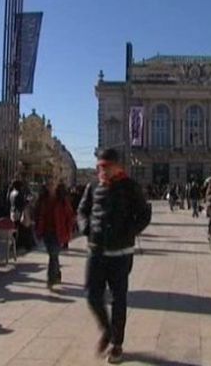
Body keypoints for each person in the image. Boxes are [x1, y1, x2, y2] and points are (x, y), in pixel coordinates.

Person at [78, 148, 151, 363]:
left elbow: (145, 213)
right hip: (96, 250)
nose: (102, 169)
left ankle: (117, 344)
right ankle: (106, 329)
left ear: (118, 166)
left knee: (119, 299)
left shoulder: (130, 187)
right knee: (92, 295)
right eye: (100, 166)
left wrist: (131, 231)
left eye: (106, 166)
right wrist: (86, 228)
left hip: (121, 253)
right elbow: (82, 210)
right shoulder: (92, 186)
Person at [34, 177, 75, 288]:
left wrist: (69, 230)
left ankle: (51, 278)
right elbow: (37, 214)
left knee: (53, 254)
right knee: (52, 254)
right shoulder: (43, 200)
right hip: (47, 231)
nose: (50, 186)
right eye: (48, 184)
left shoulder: (62, 200)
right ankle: (56, 274)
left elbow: (70, 216)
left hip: (58, 231)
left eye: (52, 184)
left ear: (56, 185)